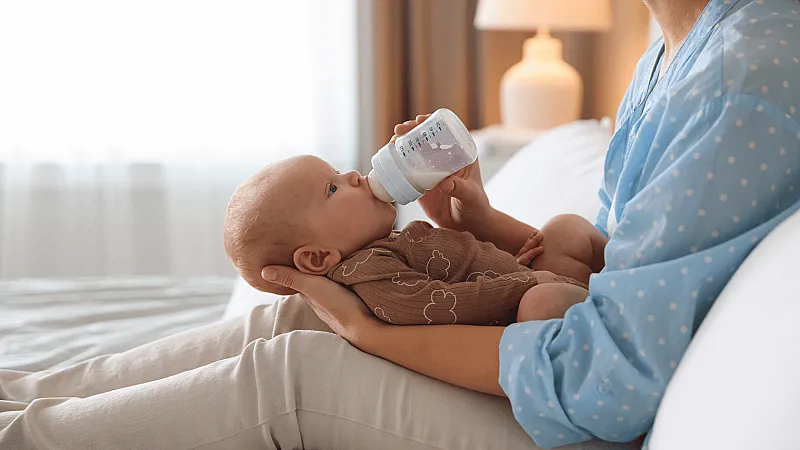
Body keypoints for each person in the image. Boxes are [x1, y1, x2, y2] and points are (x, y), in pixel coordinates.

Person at [1, 0, 798, 448]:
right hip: (565, 366)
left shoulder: (741, 70)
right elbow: (626, 273)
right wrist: (486, 221)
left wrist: (370, 336)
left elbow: (605, 374)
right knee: (290, 314)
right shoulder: (672, 49)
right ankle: (21, 395)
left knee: (295, 373)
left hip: (582, 418)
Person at [222, 154, 604, 326]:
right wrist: (518, 284)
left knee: (565, 227)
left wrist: (505, 261)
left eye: (339, 171)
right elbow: (436, 303)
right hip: (517, 311)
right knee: (544, 302)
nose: (355, 175)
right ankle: (618, 312)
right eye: (333, 188)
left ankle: (624, 281)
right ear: (318, 257)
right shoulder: (368, 274)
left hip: (523, 280)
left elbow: (460, 264)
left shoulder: (388, 243)